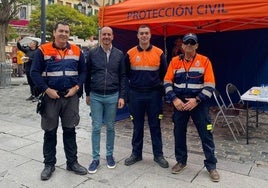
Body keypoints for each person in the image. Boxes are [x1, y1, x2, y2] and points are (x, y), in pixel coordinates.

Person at [31, 21, 88, 181]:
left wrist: (77, 88)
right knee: (50, 132)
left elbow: (83, 72)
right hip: (51, 97)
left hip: (71, 97)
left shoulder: (77, 51)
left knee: (70, 130)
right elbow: (34, 72)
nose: (64, 34)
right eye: (61, 31)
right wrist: (46, 90)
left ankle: (72, 162)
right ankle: (49, 164)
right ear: (54, 32)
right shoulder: (43, 50)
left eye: (66, 31)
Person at [163, 33, 220, 182]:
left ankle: (211, 166)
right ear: (182, 46)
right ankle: (181, 161)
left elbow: (210, 85)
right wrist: (174, 99)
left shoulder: (204, 61)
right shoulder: (175, 61)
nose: (189, 45)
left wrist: (197, 100)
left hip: (198, 103)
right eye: (186, 43)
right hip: (180, 103)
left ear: (196, 46)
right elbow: (167, 82)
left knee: (206, 134)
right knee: (179, 132)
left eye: (192, 43)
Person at [124, 25, 169, 168]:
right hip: (135, 94)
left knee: (155, 126)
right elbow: (125, 75)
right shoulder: (130, 53)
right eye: (141, 33)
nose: (144, 36)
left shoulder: (159, 53)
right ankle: (136, 154)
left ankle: (158, 155)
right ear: (137, 36)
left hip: (154, 95)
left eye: (146, 33)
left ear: (150, 36)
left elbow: (165, 74)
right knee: (137, 126)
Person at [85, 26, 126, 174]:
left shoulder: (119, 54)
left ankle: (109, 155)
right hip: (95, 95)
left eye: (109, 34)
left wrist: (122, 96)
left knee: (110, 127)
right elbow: (87, 73)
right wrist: (87, 93)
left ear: (113, 36)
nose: (106, 37)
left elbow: (123, 76)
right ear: (100, 36)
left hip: (112, 95)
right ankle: (95, 158)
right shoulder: (92, 53)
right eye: (104, 35)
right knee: (96, 127)